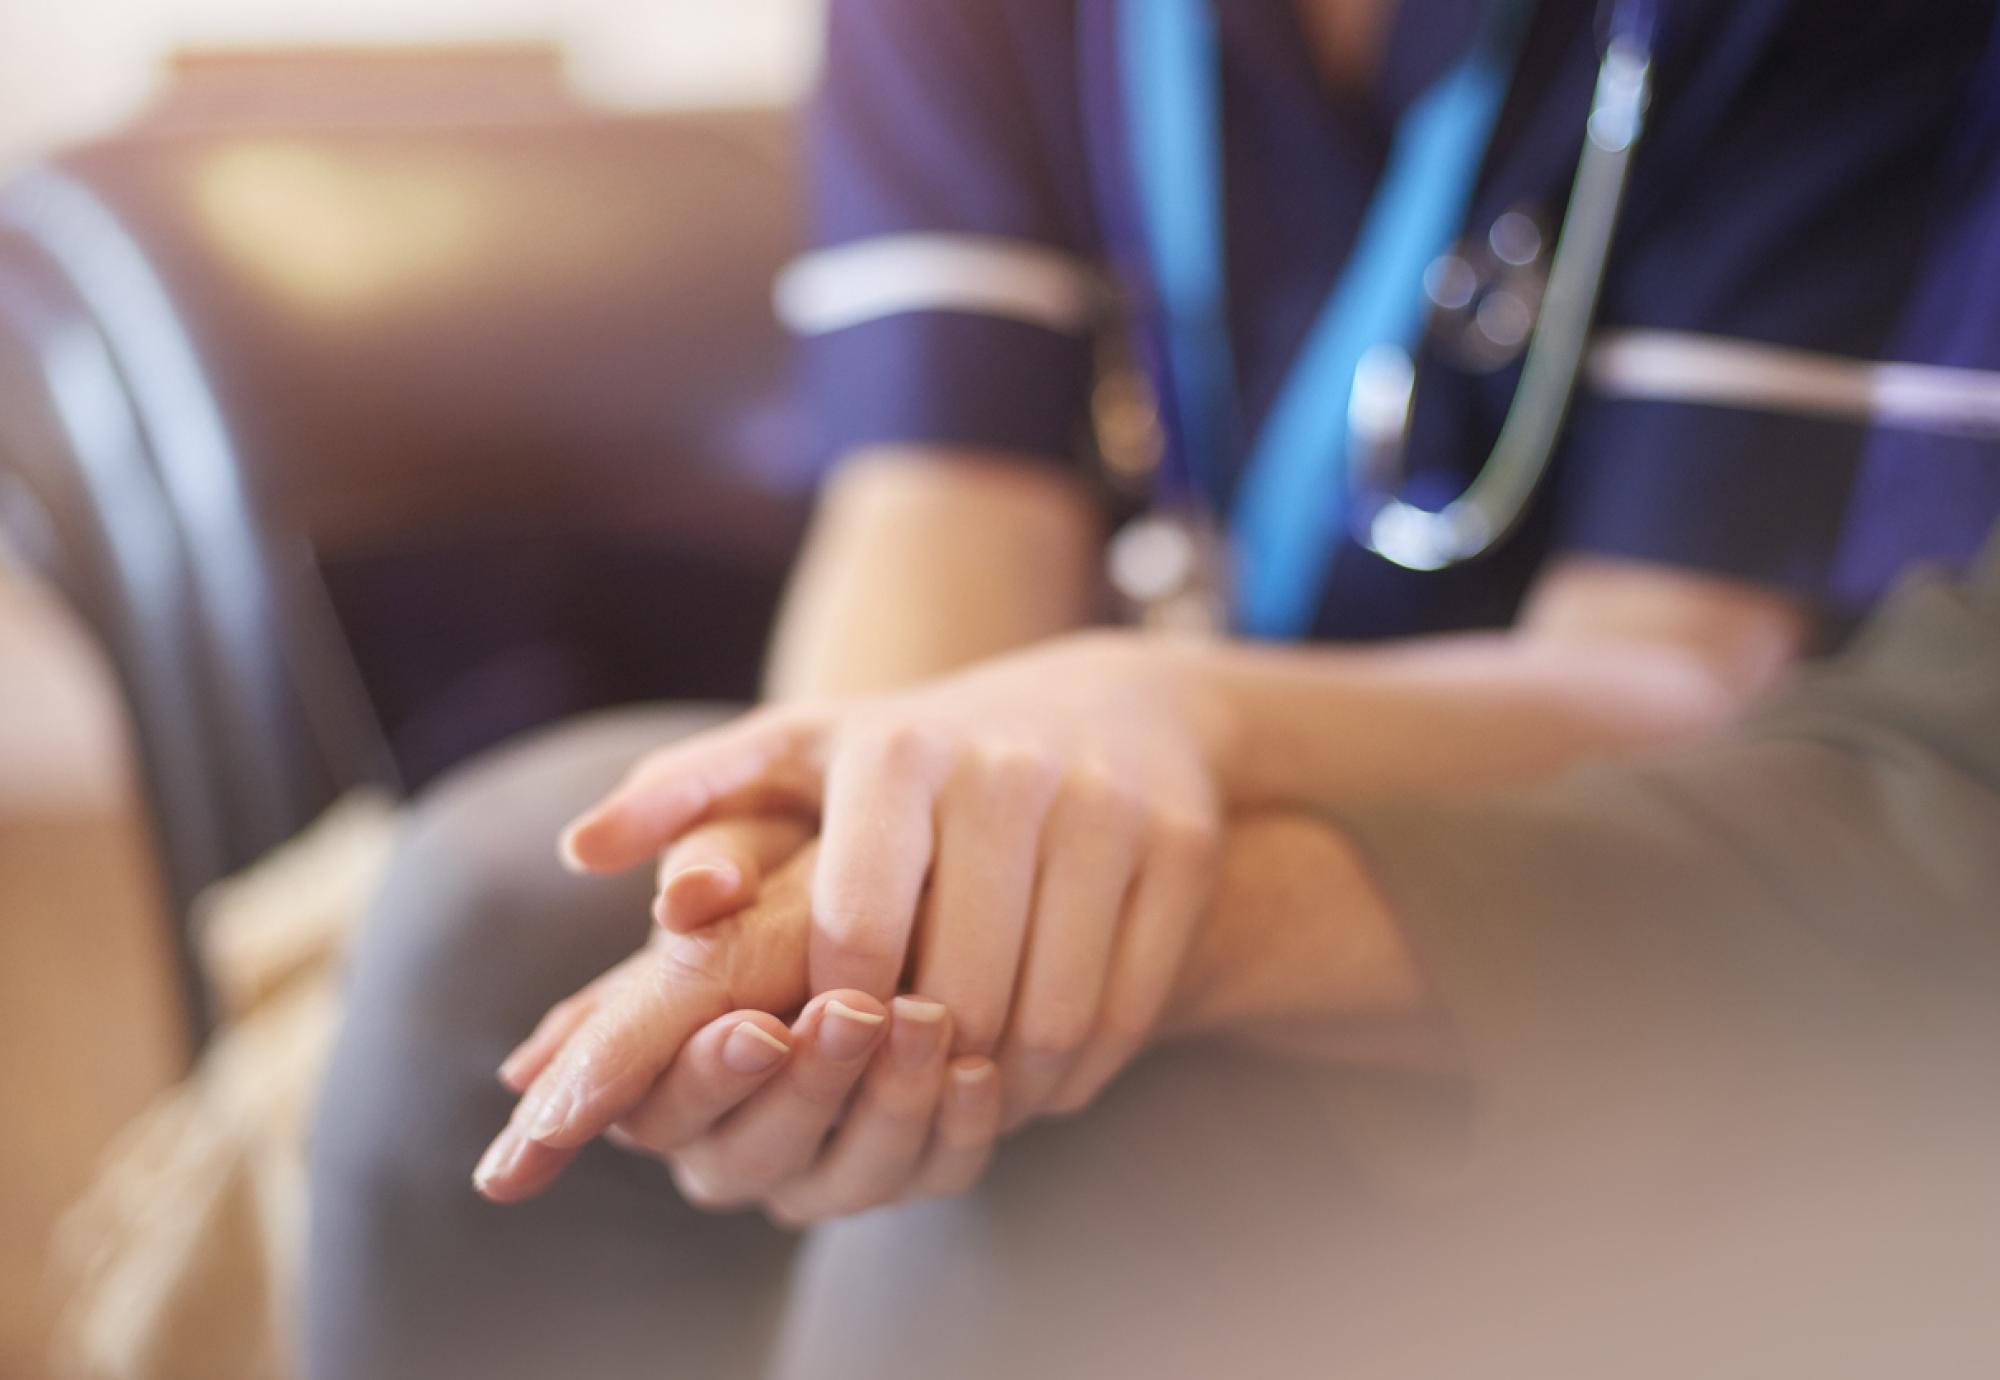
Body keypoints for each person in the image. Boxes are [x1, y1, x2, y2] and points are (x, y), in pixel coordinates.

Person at [305, 1, 2000, 1377]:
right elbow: (940, 494)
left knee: (1053, 1144)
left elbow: (1677, 670)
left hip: (1606, 818)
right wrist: (839, 887)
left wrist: (1165, 716)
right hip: (1142, 719)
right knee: (489, 899)